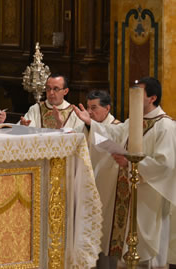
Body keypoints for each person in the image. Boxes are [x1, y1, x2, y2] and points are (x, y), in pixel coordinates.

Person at [74, 77, 176, 268]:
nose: (133, 98)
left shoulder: (166, 127)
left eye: (139, 93)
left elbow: (166, 166)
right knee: (125, 246)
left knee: (146, 251)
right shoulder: (133, 121)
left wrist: (131, 164)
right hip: (126, 193)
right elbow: (112, 135)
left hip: (149, 198)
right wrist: (91, 124)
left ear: (152, 97)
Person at [82, 90, 122, 269]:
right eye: (88, 108)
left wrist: (90, 124)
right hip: (89, 187)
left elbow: (109, 144)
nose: (90, 112)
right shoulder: (87, 125)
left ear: (107, 108)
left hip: (110, 188)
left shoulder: (117, 127)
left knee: (106, 232)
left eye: (94, 108)